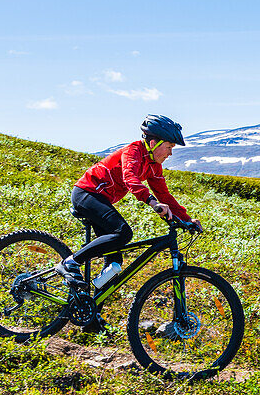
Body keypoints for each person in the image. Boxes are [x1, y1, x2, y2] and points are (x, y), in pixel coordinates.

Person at [55, 114, 201, 289]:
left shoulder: (154, 165)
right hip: (87, 193)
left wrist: (186, 219)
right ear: (154, 143)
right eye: (169, 147)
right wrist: (152, 202)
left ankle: (91, 308)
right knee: (123, 233)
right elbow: (130, 178)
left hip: (102, 199)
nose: (170, 153)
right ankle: (70, 263)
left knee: (114, 265)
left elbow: (164, 195)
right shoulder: (133, 151)